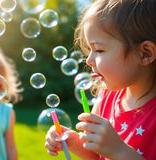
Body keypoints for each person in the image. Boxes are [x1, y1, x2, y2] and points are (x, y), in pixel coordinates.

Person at [45, 0, 156, 159]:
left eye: (99, 50)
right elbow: (97, 156)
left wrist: (119, 151)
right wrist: (72, 141)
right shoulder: (105, 99)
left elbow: (113, 152)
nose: (88, 60)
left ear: (145, 54)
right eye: (90, 50)